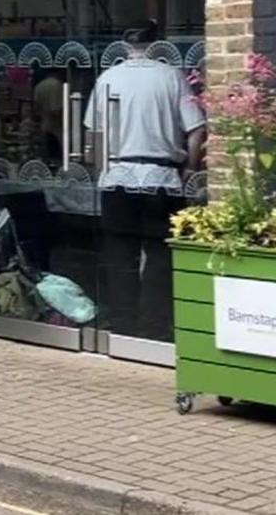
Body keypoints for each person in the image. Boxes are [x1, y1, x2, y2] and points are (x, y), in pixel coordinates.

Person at [83, 19, 206, 341]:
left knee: (119, 256)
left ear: (125, 46)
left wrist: (101, 169)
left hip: (117, 177)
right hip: (163, 177)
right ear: (157, 43)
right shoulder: (172, 77)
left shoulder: (108, 77)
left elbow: (93, 134)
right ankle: (154, 327)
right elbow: (196, 131)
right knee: (161, 258)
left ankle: (123, 325)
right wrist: (190, 170)